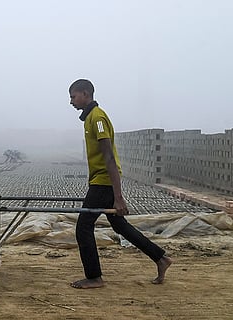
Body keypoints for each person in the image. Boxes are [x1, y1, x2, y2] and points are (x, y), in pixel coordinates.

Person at [68, 79, 172, 289]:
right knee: (119, 225)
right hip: (100, 180)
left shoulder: (97, 118)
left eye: (73, 96)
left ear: (86, 94)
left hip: (104, 182)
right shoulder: (90, 119)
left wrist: (118, 196)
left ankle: (94, 277)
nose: (71, 102)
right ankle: (160, 258)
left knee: (83, 227)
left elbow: (109, 158)